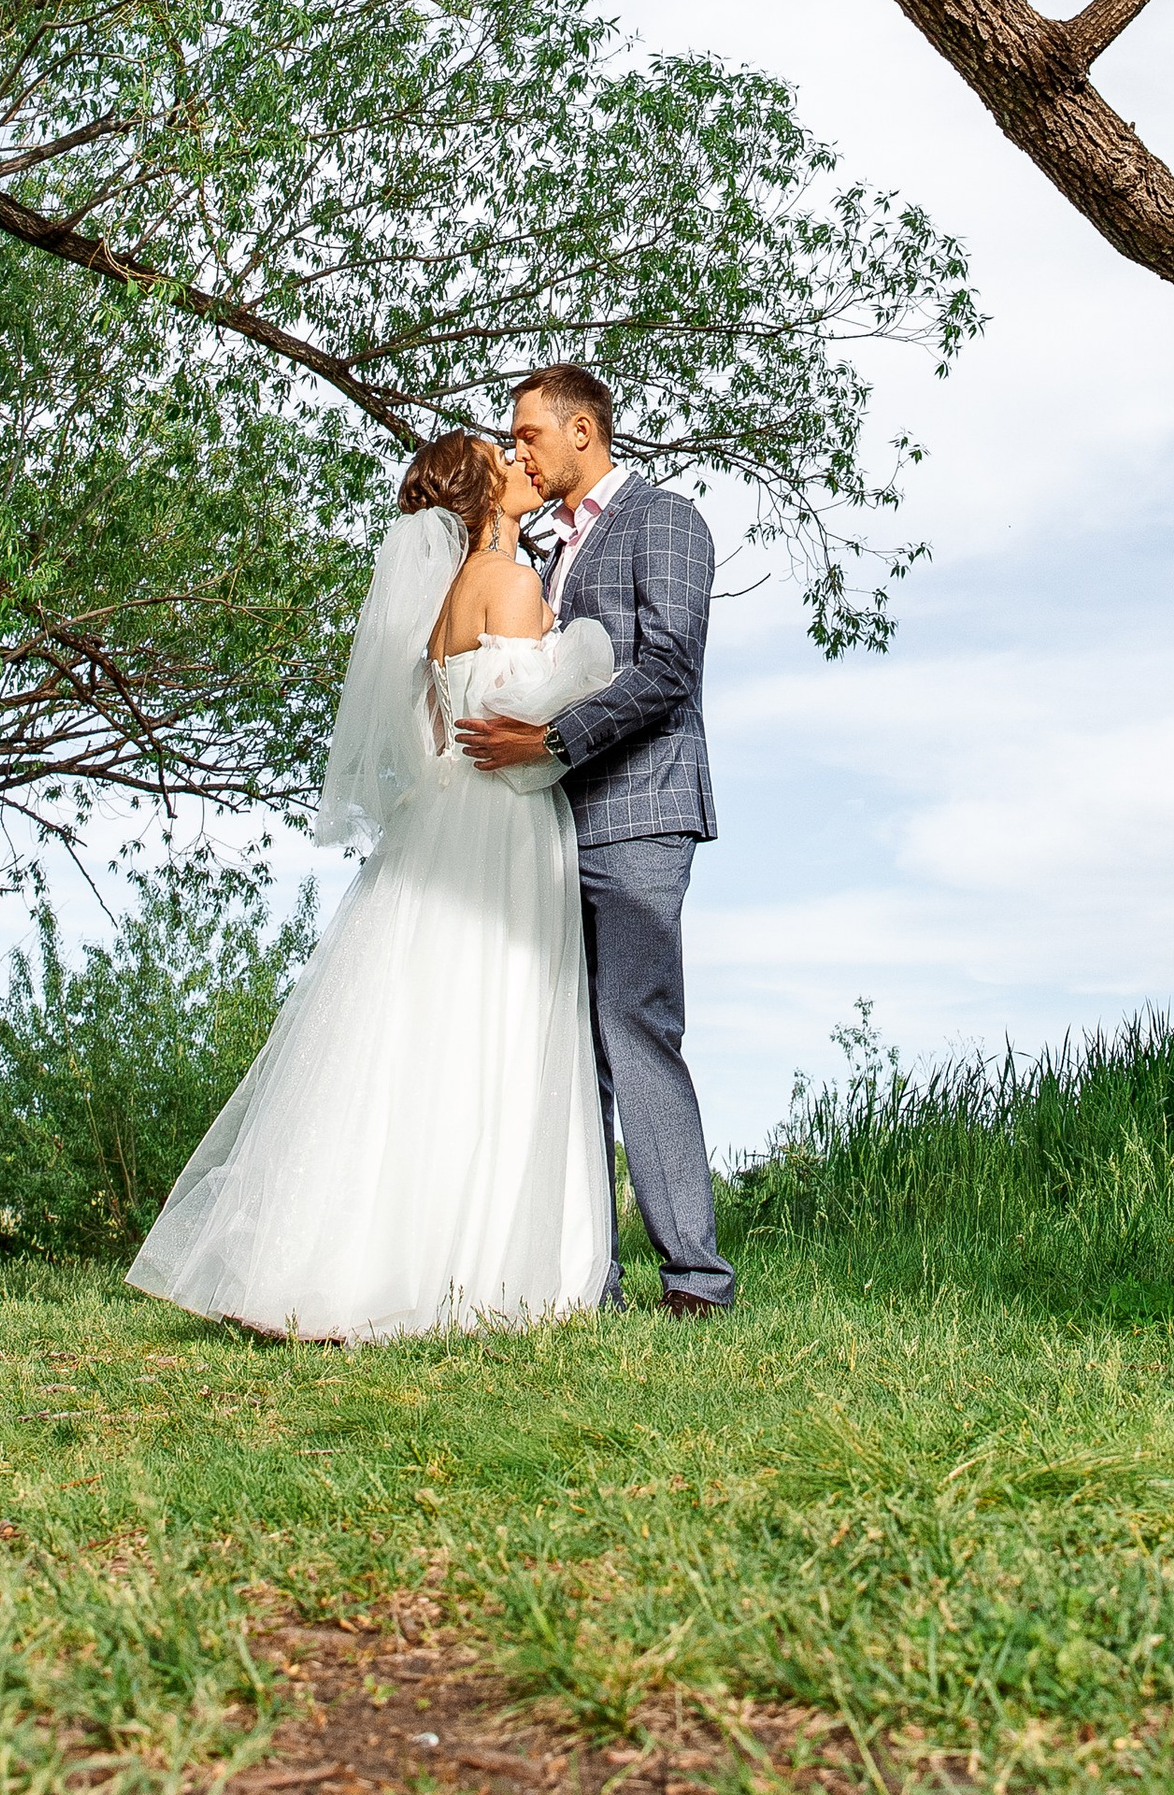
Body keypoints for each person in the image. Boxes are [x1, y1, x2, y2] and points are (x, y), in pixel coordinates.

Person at [126, 432, 619, 1340]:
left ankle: (341, 1257)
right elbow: (519, 737)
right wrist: (587, 655)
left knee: (413, 1034)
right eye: (502, 460)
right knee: (492, 1024)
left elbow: (445, 726)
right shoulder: (508, 586)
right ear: (481, 499)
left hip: (441, 829)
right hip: (499, 827)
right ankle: (470, 1268)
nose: (521, 465)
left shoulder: (441, 607)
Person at [458, 362, 736, 1315]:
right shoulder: (552, 553)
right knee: (570, 1049)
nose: (518, 448)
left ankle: (695, 1282)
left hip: (642, 814)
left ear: (584, 431)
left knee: (636, 1031)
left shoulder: (666, 519)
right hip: (558, 825)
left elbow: (667, 669)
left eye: (529, 432)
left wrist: (551, 740)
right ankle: (590, 1280)